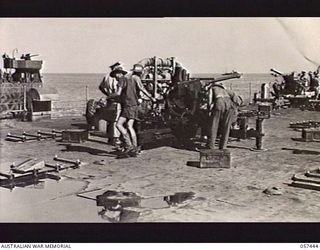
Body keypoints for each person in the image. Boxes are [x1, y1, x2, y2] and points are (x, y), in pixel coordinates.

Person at [111, 64, 156, 157]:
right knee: (129, 125)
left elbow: (118, 93)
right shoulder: (133, 79)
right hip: (134, 105)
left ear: (118, 74)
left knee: (119, 124)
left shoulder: (122, 80)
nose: (115, 77)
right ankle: (134, 147)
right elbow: (141, 89)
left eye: (115, 75)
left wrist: (109, 96)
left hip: (128, 105)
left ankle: (129, 145)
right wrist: (151, 97)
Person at [207, 82, 242, 150]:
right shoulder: (227, 90)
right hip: (229, 105)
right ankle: (223, 147)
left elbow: (209, 100)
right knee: (226, 127)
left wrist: (209, 110)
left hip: (219, 103)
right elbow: (238, 101)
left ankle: (211, 146)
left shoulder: (212, 88)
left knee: (214, 126)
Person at [98, 62, 124, 145]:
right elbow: (118, 91)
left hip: (109, 100)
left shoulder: (106, 76)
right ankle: (115, 138)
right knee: (116, 119)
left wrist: (107, 94)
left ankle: (110, 138)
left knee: (109, 119)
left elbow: (100, 87)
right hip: (116, 100)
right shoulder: (117, 78)